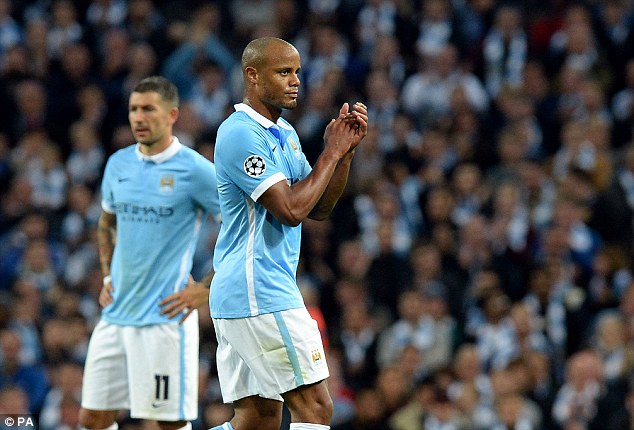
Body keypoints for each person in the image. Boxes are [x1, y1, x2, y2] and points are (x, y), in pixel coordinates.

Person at [209, 37, 369, 430]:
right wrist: (329, 153)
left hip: (246, 293)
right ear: (252, 75)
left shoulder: (284, 133)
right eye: (284, 72)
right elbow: (291, 209)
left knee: (257, 421)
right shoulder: (240, 134)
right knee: (315, 408)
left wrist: (343, 155)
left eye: (297, 71)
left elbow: (318, 207)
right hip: (259, 290)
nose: (295, 80)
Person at [78, 76, 221, 430]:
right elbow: (107, 222)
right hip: (115, 315)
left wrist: (206, 287)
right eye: (133, 109)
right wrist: (108, 275)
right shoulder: (118, 164)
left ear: (172, 114)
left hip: (164, 320)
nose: (138, 118)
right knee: (92, 418)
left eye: (148, 109)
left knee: (166, 423)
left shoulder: (195, 170)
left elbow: (244, 225)